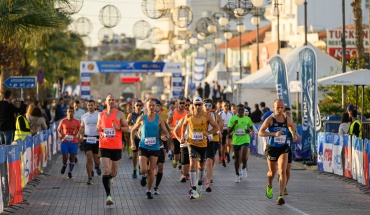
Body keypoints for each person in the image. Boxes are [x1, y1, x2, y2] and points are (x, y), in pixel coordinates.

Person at [258, 99, 298, 206]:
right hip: (272, 148)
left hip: (283, 147)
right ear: (273, 107)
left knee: (282, 171)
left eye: (281, 107)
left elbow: (291, 126)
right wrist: (273, 134)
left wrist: (294, 134)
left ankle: (280, 196)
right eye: (277, 107)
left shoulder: (286, 118)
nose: (280, 109)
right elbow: (260, 132)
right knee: (272, 173)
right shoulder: (270, 119)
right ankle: (270, 184)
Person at [181, 97, 219, 199]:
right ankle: (193, 188)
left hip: (203, 144)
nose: (198, 106)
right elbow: (183, 126)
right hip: (191, 143)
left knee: (201, 165)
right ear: (193, 105)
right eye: (196, 104)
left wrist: (209, 132)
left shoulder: (206, 116)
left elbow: (216, 127)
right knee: (192, 162)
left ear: (202, 105)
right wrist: (182, 137)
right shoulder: (189, 116)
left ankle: (200, 181)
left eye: (199, 104)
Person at [130, 98, 169, 199]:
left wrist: (165, 136)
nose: (152, 107)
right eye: (150, 105)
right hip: (143, 146)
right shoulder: (142, 118)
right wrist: (132, 143)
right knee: (143, 169)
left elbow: (166, 132)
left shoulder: (159, 119)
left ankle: (149, 190)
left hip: (155, 147)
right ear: (146, 107)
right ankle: (143, 176)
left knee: (151, 171)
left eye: (153, 105)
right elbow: (133, 130)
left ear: (156, 107)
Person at [96, 95, 129, 205]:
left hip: (116, 146)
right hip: (104, 145)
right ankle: (108, 196)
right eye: (109, 100)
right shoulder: (101, 114)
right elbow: (98, 127)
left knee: (113, 172)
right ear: (106, 102)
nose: (111, 101)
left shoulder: (120, 114)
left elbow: (127, 128)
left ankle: (111, 177)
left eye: (113, 100)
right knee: (105, 170)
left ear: (115, 102)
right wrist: (98, 129)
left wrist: (118, 127)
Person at [228, 104, 254, 183]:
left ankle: (243, 168)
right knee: (237, 159)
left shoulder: (247, 118)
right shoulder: (233, 118)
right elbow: (229, 131)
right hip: (236, 141)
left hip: (245, 140)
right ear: (236, 110)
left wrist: (249, 130)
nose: (241, 112)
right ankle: (237, 175)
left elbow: (251, 127)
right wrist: (234, 125)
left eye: (242, 110)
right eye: (239, 110)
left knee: (243, 156)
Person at [79, 100, 101, 185]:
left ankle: (97, 166)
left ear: (95, 106)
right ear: (87, 106)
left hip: (97, 139)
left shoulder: (99, 115)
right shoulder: (84, 116)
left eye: (92, 105)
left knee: (96, 159)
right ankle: (89, 178)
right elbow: (82, 127)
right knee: (89, 157)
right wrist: (80, 135)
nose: (90, 107)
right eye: (89, 105)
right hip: (87, 138)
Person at [58, 107, 81, 179]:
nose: (70, 113)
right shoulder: (63, 121)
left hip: (74, 142)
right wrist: (61, 135)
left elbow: (80, 130)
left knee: (72, 158)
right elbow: (59, 129)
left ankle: (70, 172)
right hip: (65, 142)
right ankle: (64, 165)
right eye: (69, 111)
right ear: (66, 112)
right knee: (65, 157)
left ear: (74, 113)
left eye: (71, 111)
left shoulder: (77, 122)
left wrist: (78, 132)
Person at [168, 96, 187, 169]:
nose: (182, 104)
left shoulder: (187, 113)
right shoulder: (172, 113)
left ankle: (182, 166)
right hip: (175, 136)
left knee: (184, 153)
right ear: (177, 104)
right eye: (180, 103)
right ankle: (175, 160)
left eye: (183, 103)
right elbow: (167, 124)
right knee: (177, 156)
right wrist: (174, 128)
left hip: (184, 136)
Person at [126, 99, 144, 178]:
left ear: (142, 106)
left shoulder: (144, 115)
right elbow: (126, 126)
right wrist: (131, 127)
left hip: (143, 136)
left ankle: (141, 167)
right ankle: (134, 169)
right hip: (134, 136)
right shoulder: (131, 115)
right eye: (137, 105)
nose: (139, 107)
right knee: (135, 154)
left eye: (140, 105)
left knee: (143, 154)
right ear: (134, 106)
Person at [219, 101, 233, 167]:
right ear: (222, 107)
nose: (226, 107)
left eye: (227, 106)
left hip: (229, 130)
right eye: (225, 106)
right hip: (223, 131)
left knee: (229, 144)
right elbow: (217, 123)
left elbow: (233, 122)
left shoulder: (231, 113)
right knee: (223, 146)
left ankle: (227, 153)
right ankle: (223, 159)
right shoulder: (220, 114)